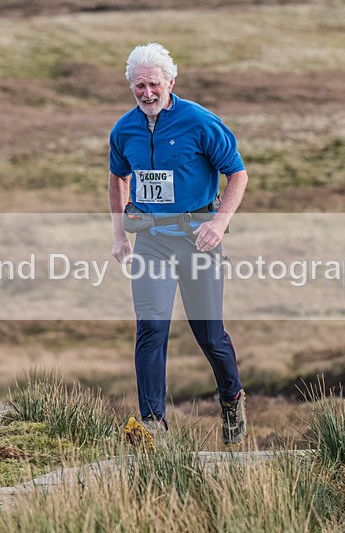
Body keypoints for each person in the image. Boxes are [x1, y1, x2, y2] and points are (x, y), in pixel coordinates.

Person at [108, 43, 249, 445]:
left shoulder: (200, 122)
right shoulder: (124, 129)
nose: (147, 93)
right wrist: (119, 234)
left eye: (153, 84)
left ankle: (231, 397)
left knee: (209, 334)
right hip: (151, 240)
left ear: (171, 81)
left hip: (198, 241)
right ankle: (153, 424)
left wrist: (219, 223)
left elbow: (237, 174)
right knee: (150, 328)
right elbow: (117, 177)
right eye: (139, 86)